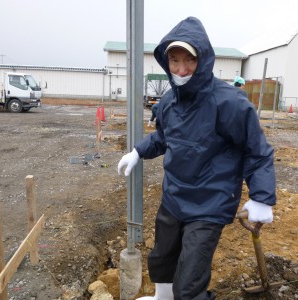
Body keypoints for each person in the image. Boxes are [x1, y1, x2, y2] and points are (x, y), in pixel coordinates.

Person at [118, 16, 276, 300]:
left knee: (189, 282)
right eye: (174, 61)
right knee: (162, 257)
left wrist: (261, 196)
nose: (181, 69)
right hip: (175, 196)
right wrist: (138, 151)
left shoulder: (229, 103)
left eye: (189, 60)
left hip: (210, 203)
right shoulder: (169, 103)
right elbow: (164, 138)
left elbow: (257, 150)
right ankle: (162, 297)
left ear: (202, 59)